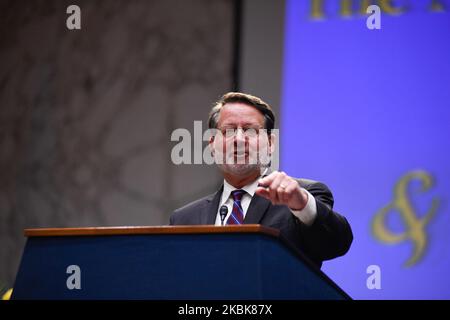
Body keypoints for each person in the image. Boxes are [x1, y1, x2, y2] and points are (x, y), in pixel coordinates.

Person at [169, 92, 352, 268]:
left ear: (271, 144)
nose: (239, 139)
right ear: (212, 145)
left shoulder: (302, 197)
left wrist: (302, 203)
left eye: (250, 130)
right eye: (228, 131)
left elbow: (335, 244)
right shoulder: (184, 219)